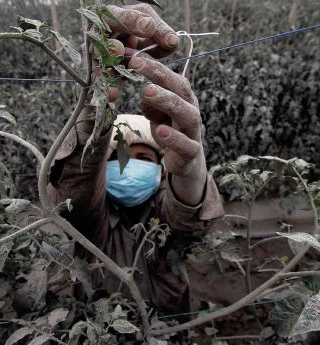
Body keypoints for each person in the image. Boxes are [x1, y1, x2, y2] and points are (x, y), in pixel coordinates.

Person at [47, 4, 224, 315]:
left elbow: (187, 223)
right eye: (117, 158)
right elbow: (76, 189)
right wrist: (94, 110)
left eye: (142, 156)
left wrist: (190, 170)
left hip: (167, 330)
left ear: (160, 168)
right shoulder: (92, 223)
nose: (128, 166)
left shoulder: (162, 222)